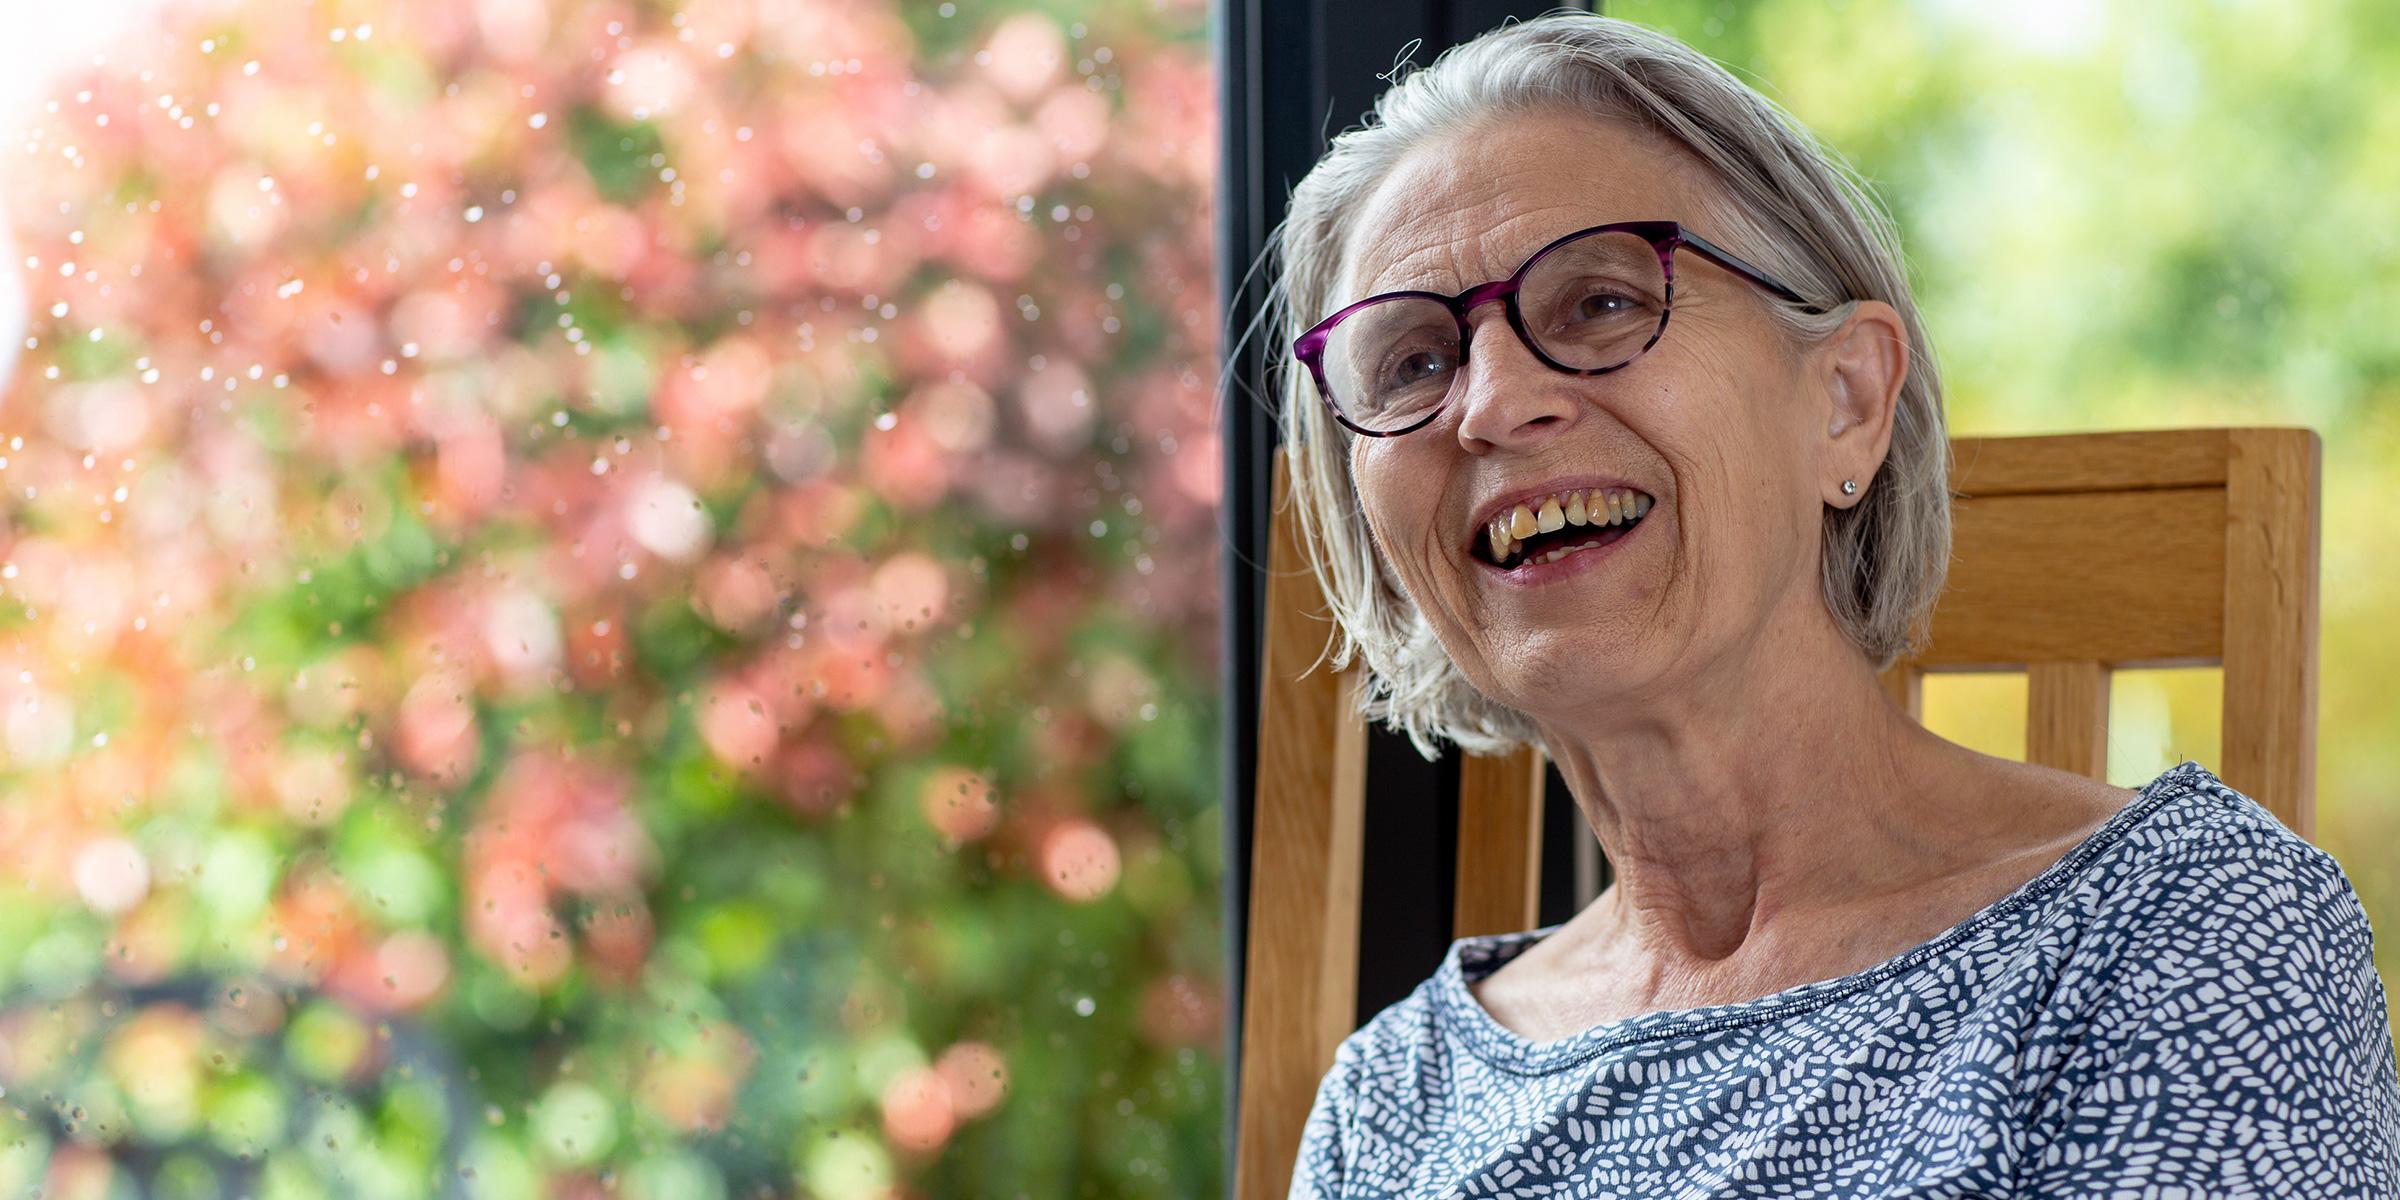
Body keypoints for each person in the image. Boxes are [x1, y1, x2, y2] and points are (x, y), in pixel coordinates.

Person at [1269, 11, 2400, 1197]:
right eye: (1411, 364)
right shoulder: (1390, 1104)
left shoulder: (2178, 932)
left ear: (1846, 402)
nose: (1492, 404)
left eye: (1600, 302)